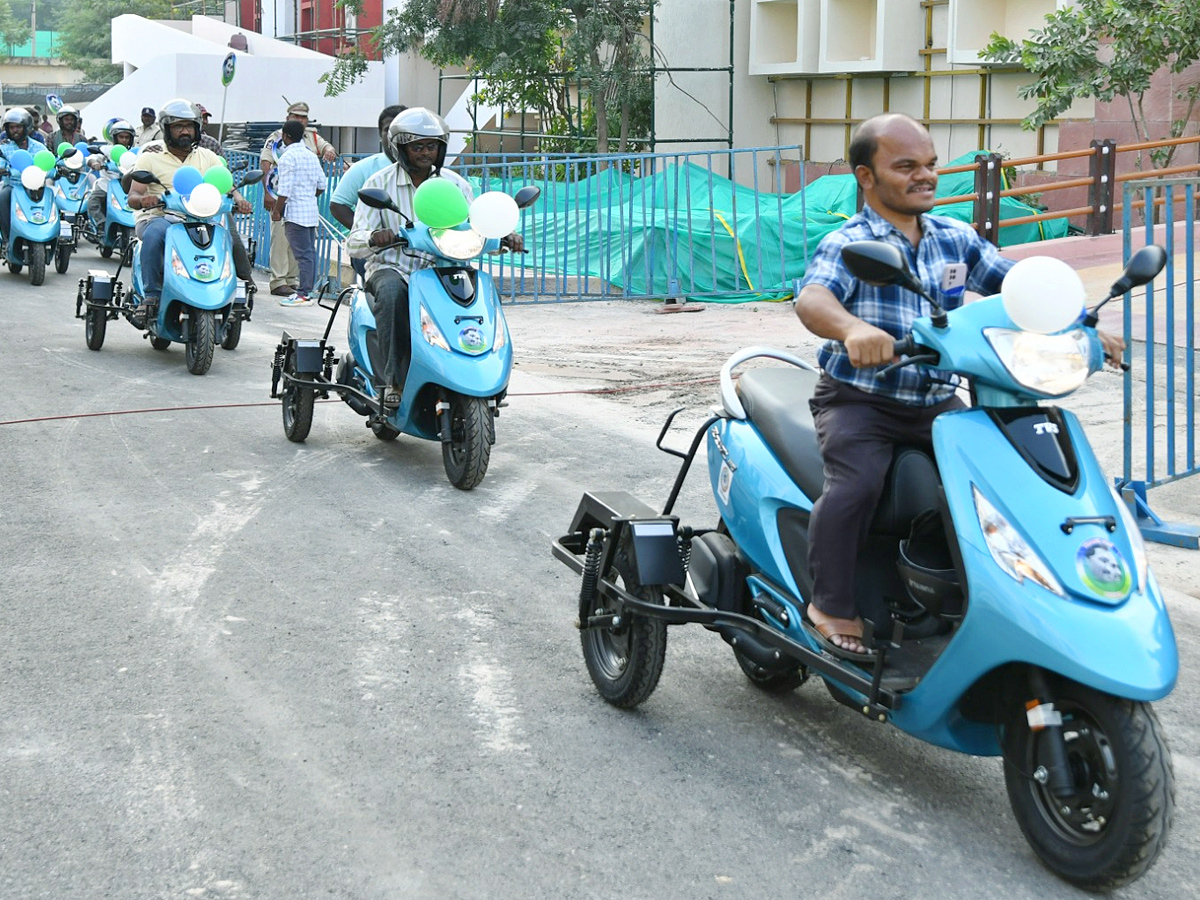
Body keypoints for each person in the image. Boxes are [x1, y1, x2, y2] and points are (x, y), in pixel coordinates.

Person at [793, 113, 1123, 660]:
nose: (925, 176)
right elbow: (814, 299)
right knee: (856, 486)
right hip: (861, 399)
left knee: (996, 486)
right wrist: (852, 328)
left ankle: (989, 599)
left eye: (930, 165)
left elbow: (1019, 290)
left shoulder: (953, 236)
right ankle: (830, 603)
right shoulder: (849, 242)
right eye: (905, 167)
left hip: (937, 401)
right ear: (866, 177)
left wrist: (1084, 324)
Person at [347, 107, 524, 410]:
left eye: (431, 146)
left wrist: (504, 237)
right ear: (400, 149)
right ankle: (392, 380)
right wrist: (375, 238)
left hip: (444, 269)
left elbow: (475, 228)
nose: (425, 153)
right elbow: (353, 242)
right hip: (394, 268)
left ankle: (480, 373)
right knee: (391, 294)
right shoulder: (379, 184)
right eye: (417, 147)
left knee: (480, 296)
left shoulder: (457, 186)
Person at [124, 99, 253, 328]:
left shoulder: (208, 157)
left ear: (197, 129)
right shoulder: (150, 157)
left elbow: (228, 185)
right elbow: (133, 194)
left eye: (189, 126)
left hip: (200, 218)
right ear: (166, 129)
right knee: (154, 235)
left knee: (227, 238)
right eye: (178, 126)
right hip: (159, 217)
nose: (184, 131)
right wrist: (144, 199)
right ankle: (151, 296)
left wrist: (241, 200)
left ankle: (232, 289)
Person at [260, 100, 338, 296]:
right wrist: (268, 193)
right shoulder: (277, 137)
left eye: (303, 117)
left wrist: (329, 151)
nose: (301, 120)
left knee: (298, 244)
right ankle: (279, 280)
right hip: (280, 194)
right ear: (288, 117)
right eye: (296, 116)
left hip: (300, 199)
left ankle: (293, 280)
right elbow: (266, 162)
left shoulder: (311, 137)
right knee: (280, 240)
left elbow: (327, 147)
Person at [330, 104, 406, 280]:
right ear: (380, 135)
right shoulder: (365, 169)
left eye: (401, 128)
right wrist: (368, 234)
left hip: (418, 253)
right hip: (376, 254)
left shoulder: (429, 171)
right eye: (388, 130)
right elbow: (337, 204)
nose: (394, 135)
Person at [271, 119, 326, 306]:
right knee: (309, 253)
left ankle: (303, 293)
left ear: (285, 136)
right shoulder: (311, 155)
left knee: (302, 255)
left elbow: (284, 189)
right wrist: (309, 195)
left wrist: (277, 211)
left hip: (295, 213)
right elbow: (322, 185)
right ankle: (307, 291)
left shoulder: (287, 157)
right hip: (310, 211)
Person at [0, 108, 48, 243]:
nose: (15, 130)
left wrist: (58, 169)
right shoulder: (4, 147)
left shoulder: (39, 147)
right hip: (13, 186)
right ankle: (6, 237)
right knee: (2, 197)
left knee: (51, 196)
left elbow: (49, 162)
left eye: (18, 127)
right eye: (11, 127)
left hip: (36, 187)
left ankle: (49, 233)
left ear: (26, 127)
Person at [86, 119, 136, 230]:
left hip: (128, 187)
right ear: (114, 138)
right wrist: (94, 163)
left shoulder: (133, 152)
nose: (124, 140)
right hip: (106, 185)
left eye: (127, 137)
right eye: (121, 137)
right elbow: (92, 157)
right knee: (93, 203)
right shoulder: (106, 150)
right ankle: (102, 225)